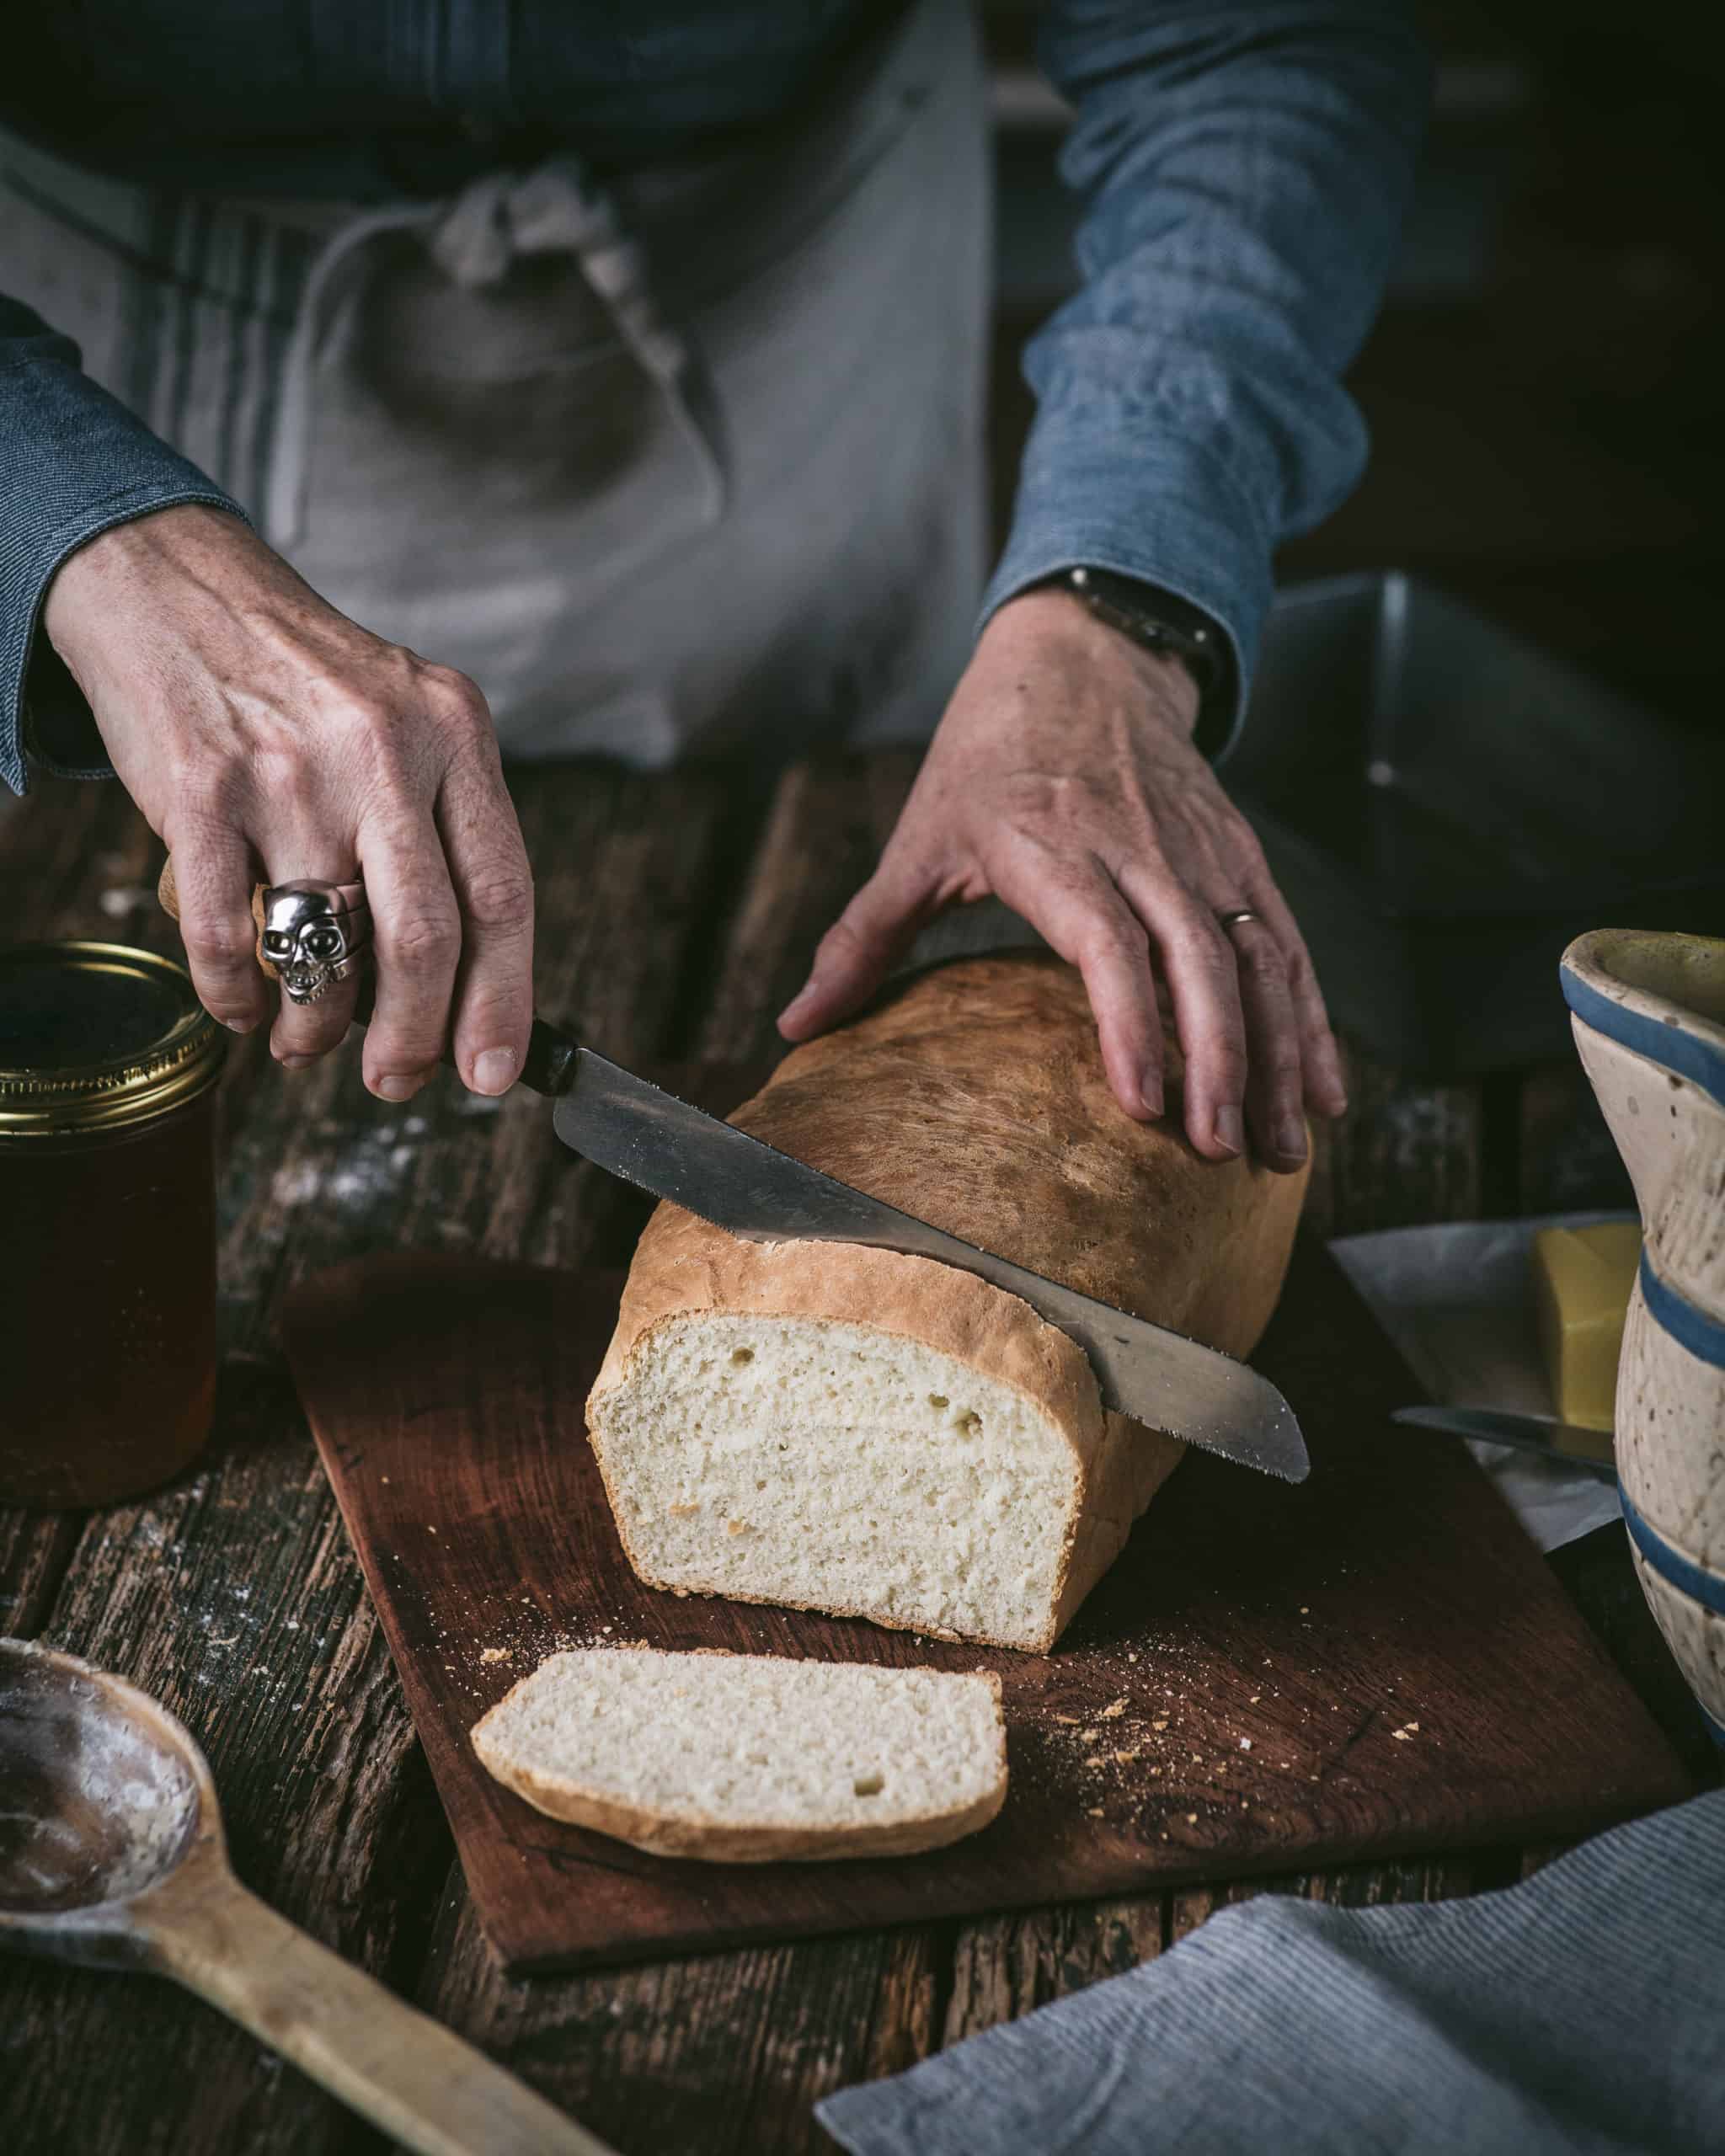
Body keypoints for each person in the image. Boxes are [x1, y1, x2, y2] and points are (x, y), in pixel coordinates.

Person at [1, 2, 1427, 1171]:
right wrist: (78, 528)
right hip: (87, 377)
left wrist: (1117, 610)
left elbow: (1245, 48)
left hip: (797, 323)